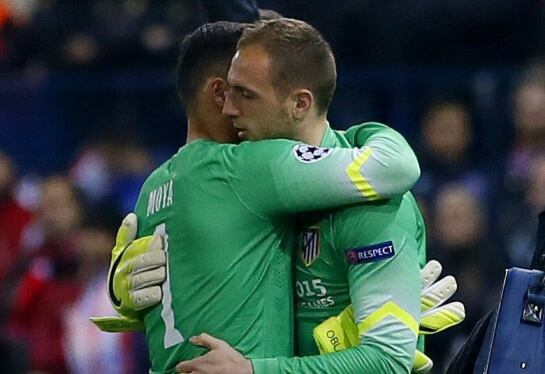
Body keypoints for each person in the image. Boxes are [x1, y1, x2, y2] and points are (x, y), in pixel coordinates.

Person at [95, 19, 437, 374]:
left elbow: (389, 360)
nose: (228, 108)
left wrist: (254, 370)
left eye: (244, 93)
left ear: (300, 103)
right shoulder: (252, 180)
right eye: (229, 91)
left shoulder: (370, 205)